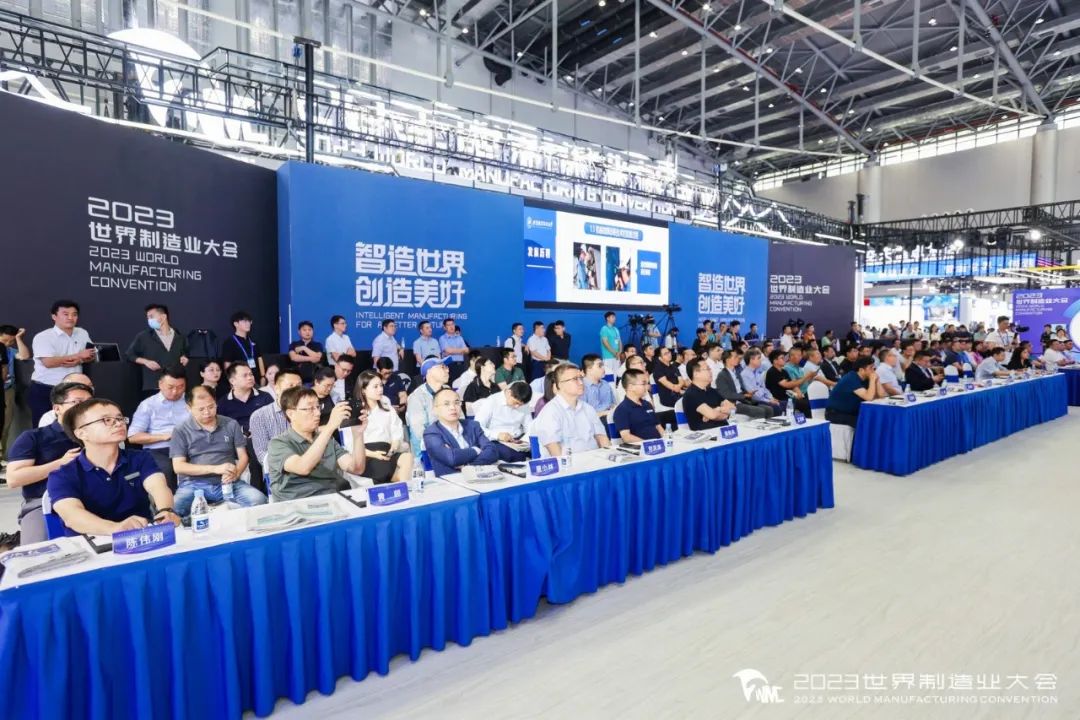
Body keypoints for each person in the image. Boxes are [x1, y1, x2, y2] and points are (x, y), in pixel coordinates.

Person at [48, 398, 180, 535]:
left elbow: (158, 486)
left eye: (120, 418)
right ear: (81, 433)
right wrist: (115, 528)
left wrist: (166, 511)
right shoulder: (62, 475)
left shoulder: (140, 458)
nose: (118, 424)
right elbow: (72, 516)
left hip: (140, 536)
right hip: (90, 543)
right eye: (107, 420)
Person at [6, 382, 91, 543]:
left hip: (94, 498)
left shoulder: (98, 435)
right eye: (77, 402)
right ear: (57, 408)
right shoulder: (34, 437)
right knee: (37, 552)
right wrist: (59, 463)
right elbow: (14, 478)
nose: (86, 407)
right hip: (43, 504)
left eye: (90, 402)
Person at [170, 385, 267, 516]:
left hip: (228, 483)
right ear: (189, 408)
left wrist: (236, 473)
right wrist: (215, 469)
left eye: (211, 407)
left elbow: (243, 457)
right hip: (193, 485)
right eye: (201, 409)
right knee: (173, 509)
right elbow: (178, 467)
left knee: (259, 501)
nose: (207, 412)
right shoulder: (181, 430)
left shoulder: (231, 424)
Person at [266, 387, 368, 501]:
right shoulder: (278, 443)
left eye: (318, 407)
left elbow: (356, 468)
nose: (318, 413)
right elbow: (302, 467)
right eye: (310, 408)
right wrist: (330, 426)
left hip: (331, 499)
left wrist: (358, 435)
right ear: (291, 414)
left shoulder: (326, 439)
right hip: (296, 503)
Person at [29, 299, 95, 426]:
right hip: (46, 389)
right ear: (54, 316)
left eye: (74, 314)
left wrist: (79, 360)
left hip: (74, 389)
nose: (70, 318)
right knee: (44, 426)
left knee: (75, 424)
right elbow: (48, 362)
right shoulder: (43, 337)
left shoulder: (82, 333)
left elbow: (90, 355)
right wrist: (78, 356)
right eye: (66, 314)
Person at [423, 388, 517, 476]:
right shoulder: (431, 433)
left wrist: (468, 466)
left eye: (457, 403)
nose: (453, 407)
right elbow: (452, 458)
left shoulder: (472, 425)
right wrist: (476, 450)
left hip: (481, 477)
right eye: (446, 404)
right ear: (435, 409)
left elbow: (492, 451)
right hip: (452, 482)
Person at [127, 367, 189, 491]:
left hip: (188, 446)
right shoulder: (148, 405)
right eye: (170, 387)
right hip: (158, 449)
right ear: (160, 384)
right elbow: (133, 437)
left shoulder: (191, 401)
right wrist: (164, 436)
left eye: (180, 387)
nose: (175, 392)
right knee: (165, 470)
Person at [533, 363, 610, 457]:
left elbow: (602, 438)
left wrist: (610, 458)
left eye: (581, 378)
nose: (581, 383)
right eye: (575, 379)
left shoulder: (588, 408)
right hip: (569, 463)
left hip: (595, 460)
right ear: (559, 385)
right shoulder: (550, 412)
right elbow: (555, 450)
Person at [352, 370, 413, 484]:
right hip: (366, 454)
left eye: (381, 385)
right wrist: (374, 454)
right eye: (375, 387)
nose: (380, 389)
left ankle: (403, 487)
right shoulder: (356, 411)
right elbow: (350, 444)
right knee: (391, 471)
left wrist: (393, 449)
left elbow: (396, 432)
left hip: (388, 451)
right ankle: (404, 488)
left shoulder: (388, 408)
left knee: (407, 458)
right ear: (363, 390)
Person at [125, 303, 189, 396]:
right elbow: (129, 355)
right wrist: (146, 362)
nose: (149, 320)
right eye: (148, 318)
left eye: (151, 316)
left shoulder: (180, 337)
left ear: (163, 317)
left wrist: (185, 357)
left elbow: (185, 353)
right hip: (154, 385)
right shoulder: (144, 337)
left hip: (177, 385)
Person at [250, 367, 303, 469]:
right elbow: (262, 455)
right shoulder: (259, 416)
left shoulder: (307, 410)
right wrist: (293, 464)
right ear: (276, 389)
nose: (296, 390)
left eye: (299, 386)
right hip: (279, 471)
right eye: (291, 386)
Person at [406, 356, 452, 455]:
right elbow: (419, 431)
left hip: (452, 444)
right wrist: (440, 445)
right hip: (427, 451)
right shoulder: (416, 397)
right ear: (429, 372)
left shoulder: (448, 391)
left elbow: (459, 419)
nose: (447, 370)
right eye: (442, 367)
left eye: (447, 367)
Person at [0, 325, 30, 462]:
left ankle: (1, 457)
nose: (7, 344)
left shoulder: (10, 351)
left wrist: (18, 338)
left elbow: (24, 356)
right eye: (4, 340)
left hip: (7, 391)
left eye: (10, 341)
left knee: (5, 425)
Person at [217, 363, 274, 435]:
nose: (250, 378)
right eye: (245, 375)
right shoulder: (223, 403)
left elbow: (274, 421)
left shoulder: (265, 397)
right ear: (232, 381)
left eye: (251, 374)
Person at [715, 350, 772, 420]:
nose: (738, 358)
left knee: (769, 409)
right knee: (760, 411)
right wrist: (744, 396)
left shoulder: (737, 372)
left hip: (743, 400)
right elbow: (726, 394)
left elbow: (741, 389)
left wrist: (747, 393)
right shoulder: (722, 375)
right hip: (733, 403)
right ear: (727, 360)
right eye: (735, 357)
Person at [473, 382, 533, 446]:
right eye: (516, 403)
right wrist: (497, 435)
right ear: (509, 393)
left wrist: (525, 440)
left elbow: (529, 427)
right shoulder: (492, 401)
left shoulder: (524, 404)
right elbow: (476, 427)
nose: (517, 407)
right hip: (496, 441)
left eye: (521, 405)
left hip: (518, 439)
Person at [825, 357, 879, 428]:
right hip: (836, 414)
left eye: (874, 367)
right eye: (871, 368)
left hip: (851, 412)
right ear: (861, 370)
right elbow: (869, 397)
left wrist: (877, 380)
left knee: (877, 418)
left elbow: (881, 395)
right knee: (867, 423)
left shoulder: (865, 378)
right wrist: (872, 380)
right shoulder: (851, 378)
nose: (874, 370)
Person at [682, 358, 735, 431]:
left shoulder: (712, 391)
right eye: (707, 369)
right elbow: (713, 415)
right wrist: (723, 412)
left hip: (723, 429)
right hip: (706, 434)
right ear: (696, 374)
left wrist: (717, 409)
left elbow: (733, 408)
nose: (711, 371)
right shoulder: (691, 394)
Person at [612, 369, 663, 443]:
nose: (647, 387)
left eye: (647, 384)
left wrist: (666, 439)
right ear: (631, 387)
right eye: (643, 384)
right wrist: (648, 444)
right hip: (641, 447)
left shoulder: (647, 404)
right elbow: (626, 437)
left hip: (659, 444)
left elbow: (658, 427)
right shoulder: (621, 410)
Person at [221, 310, 265, 383]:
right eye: (244, 321)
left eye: (249, 321)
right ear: (236, 324)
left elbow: (259, 359)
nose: (248, 324)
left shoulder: (253, 341)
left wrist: (263, 377)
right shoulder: (229, 342)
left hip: (255, 379)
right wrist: (231, 380)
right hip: (240, 380)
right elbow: (227, 364)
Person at [765, 350, 811, 416]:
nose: (784, 360)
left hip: (788, 397)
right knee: (805, 404)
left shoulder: (784, 371)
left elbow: (792, 384)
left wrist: (798, 392)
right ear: (775, 361)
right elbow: (787, 385)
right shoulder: (772, 372)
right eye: (782, 358)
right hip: (778, 398)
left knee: (807, 402)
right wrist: (805, 377)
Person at [739, 349, 781, 416]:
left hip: (764, 399)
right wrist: (768, 401)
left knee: (783, 404)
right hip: (755, 401)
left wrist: (771, 398)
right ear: (751, 360)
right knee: (776, 408)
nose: (760, 360)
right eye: (758, 358)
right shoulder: (744, 375)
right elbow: (754, 395)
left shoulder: (757, 372)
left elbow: (764, 388)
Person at [287, 320, 325, 385]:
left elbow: (317, 358)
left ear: (313, 331)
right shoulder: (294, 344)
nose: (307, 332)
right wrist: (311, 358)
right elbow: (293, 357)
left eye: (310, 330)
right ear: (299, 332)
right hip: (297, 377)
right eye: (304, 330)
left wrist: (304, 348)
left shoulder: (318, 345)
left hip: (313, 377)